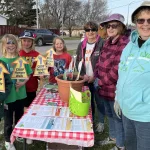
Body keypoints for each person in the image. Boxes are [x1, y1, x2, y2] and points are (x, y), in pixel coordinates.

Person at [114, 1, 150, 150]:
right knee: (130, 146)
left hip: (145, 116)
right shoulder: (130, 45)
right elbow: (121, 74)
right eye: (141, 20)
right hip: (127, 110)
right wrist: (117, 98)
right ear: (135, 23)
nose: (145, 24)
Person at [94, 14, 129, 150]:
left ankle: (120, 145)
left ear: (120, 27)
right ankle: (113, 137)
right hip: (104, 89)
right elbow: (100, 61)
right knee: (110, 115)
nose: (110, 28)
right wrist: (97, 75)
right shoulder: (108, 41)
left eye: (114, 25)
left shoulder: (124, 44)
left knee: (118, 119)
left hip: (114, 90)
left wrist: (101, 81)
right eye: (108, 26)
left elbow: (117, 69)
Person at [0, 34, 32, 150]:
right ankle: (8, 140)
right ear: (3, 45)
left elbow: (28, 74)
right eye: (8, 43)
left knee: (19, 117)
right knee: (8, 121)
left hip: (20, 95)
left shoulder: (21, 60)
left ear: (16, 45)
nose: (11, 45)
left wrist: (23, 83)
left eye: (13, 43)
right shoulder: (1, 61)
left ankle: (18, 134)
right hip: (8, 97)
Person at [76, 21, 104, 129]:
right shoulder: (81, 44)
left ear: (97, 31)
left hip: (98, 79)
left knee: (99, 102)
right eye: (87, 30)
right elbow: (78, 61)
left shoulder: (102, 43)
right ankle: (89, 121)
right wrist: (83, 75)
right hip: (85, 79)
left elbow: (104, 63)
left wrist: (95, 76)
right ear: (85, 32)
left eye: (93, 29)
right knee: (88, 101)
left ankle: (101, 122)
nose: (90, 32)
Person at [19, 31, 39, 108]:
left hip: (31, 86)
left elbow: (40, 71)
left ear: (32, 42)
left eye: (29, 41)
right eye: (24, 40)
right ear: (21, 41)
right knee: (20, 109)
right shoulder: (17, 54)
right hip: (20, 87)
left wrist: (41, 75)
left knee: (30, 108)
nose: (26, 43)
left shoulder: (37, 55)